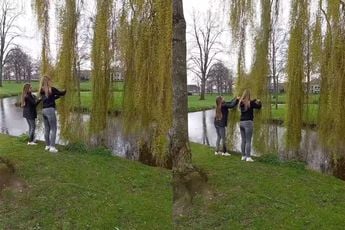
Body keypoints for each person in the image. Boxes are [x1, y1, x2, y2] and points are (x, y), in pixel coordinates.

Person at [40, 76, 66, 153]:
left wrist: (57, 96)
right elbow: (62, 93)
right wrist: (66, 89)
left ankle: (47, 145)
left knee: (47, 129)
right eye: (50, 80)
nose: (51, 82)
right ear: (48, 81)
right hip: (50, 110)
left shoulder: (41, 90)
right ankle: (52, 147)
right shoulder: (52, 89)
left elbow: (49, 98)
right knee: (54, 129)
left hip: (44, 110)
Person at [239, 89, 262, 162]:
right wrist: (259, 101)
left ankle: (243, 156)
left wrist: (254, 100)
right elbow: (259, 107)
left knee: (243, 140)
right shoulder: (250, 103)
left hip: (241, 123)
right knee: (248, 141)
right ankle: (248, 157)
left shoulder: (240, 103)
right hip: (248, 123)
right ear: (249, 95)